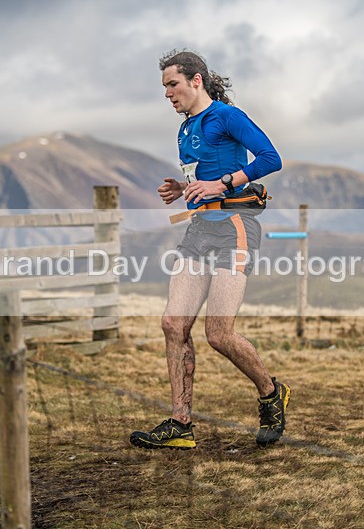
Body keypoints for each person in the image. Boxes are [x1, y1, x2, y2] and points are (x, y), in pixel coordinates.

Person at [129, 49, 290, 450]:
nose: (167, 93)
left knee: (218, 334)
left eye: (173, 84)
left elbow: (272, 158)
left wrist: (224, 184)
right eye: (165, 87)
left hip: (235, 230)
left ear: (196, 80)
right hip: (199, 230)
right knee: (172, 324)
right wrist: (182, 189)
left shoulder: (227, 116)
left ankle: (271, 394)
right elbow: (202, 179)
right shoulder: (185, 129)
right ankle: (180, 423)